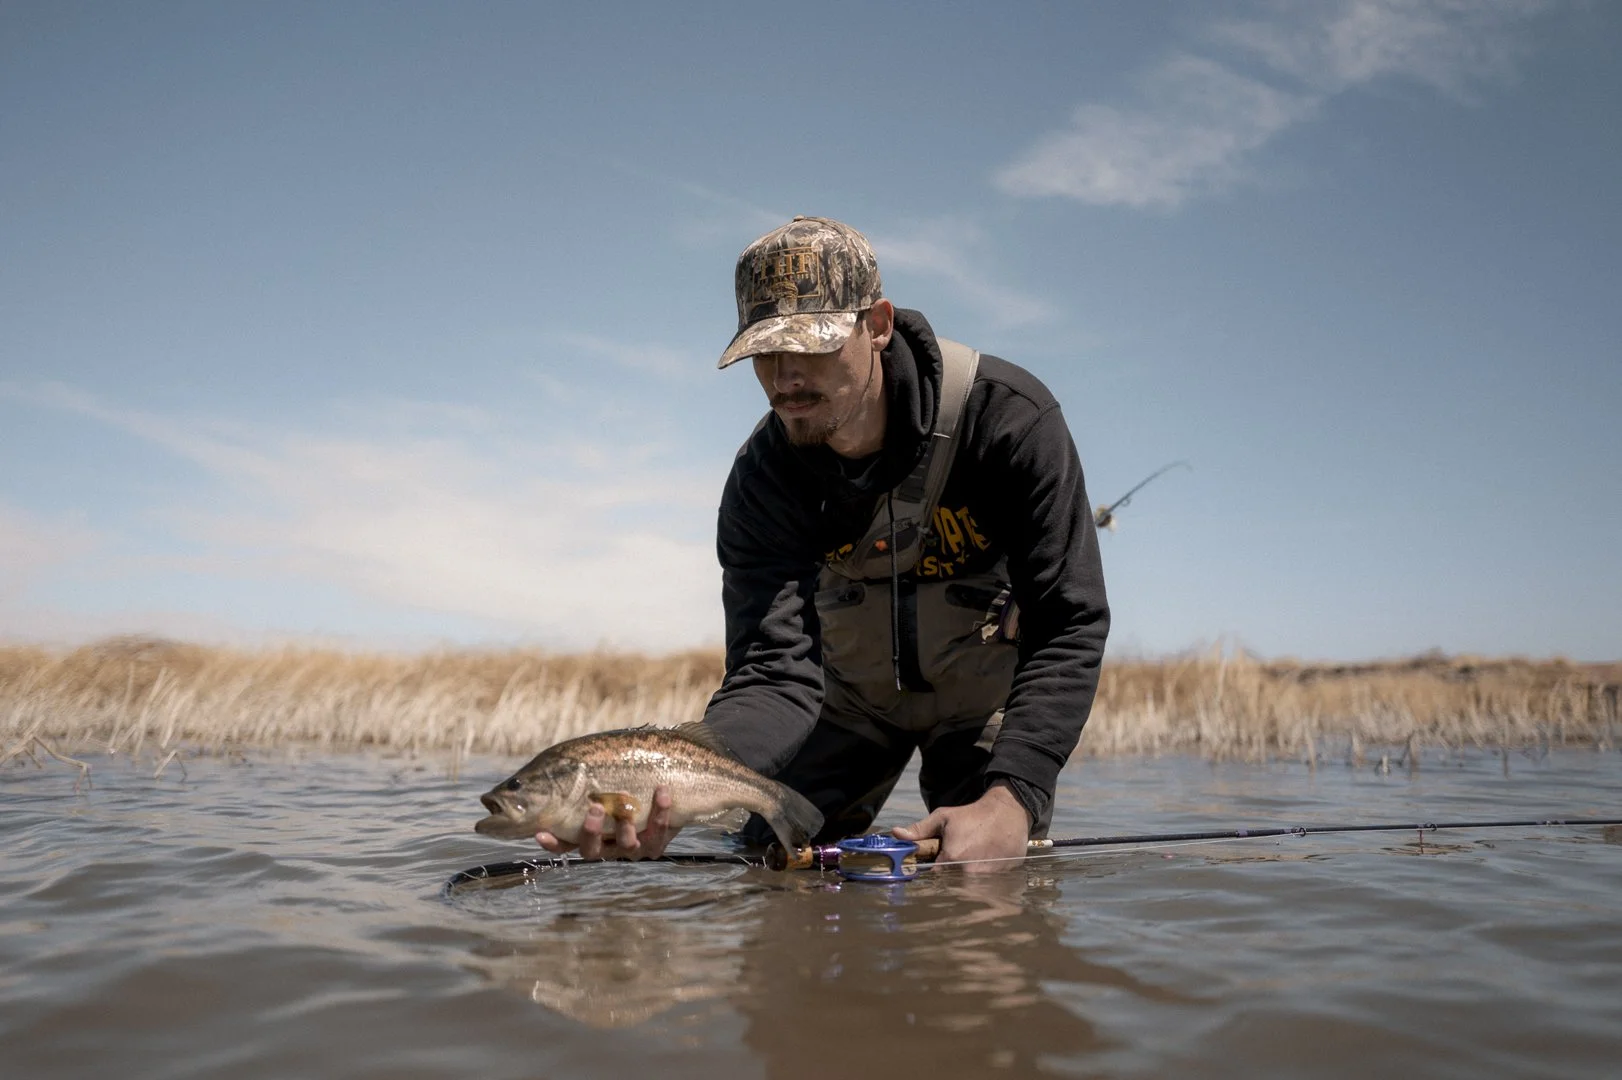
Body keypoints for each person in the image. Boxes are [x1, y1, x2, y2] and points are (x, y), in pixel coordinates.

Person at [539, 216, 1109, 870]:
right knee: (769, 876)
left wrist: (1015, 794)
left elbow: (1069, 621)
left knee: (982, 890)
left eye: (809, 346)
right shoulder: (763, 480)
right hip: (847, 707)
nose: (785, 378)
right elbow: (772, 672)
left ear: (878, 325)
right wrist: (674, 789)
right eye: (764, 354)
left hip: (984, 709)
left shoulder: (1009, 422)